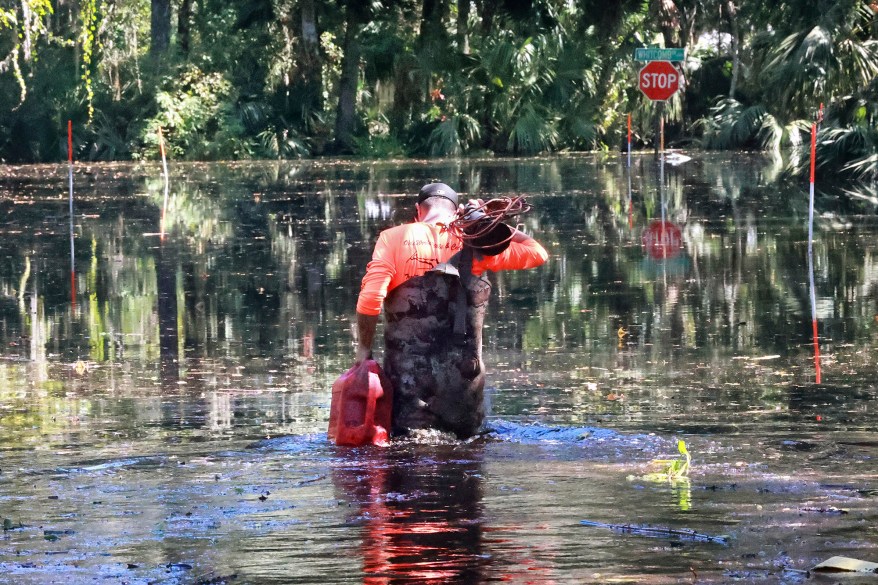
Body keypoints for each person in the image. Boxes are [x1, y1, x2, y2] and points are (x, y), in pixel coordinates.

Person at [355, 182, 548, 439]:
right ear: (457, 212)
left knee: (409, 456)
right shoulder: (476, 244)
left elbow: (370, 298)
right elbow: (538, 253)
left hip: (409, 391)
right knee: (466, 457)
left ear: (417, 211)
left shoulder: (394, 238)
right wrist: (487, 225)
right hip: (464, 392)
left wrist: (364, 352)